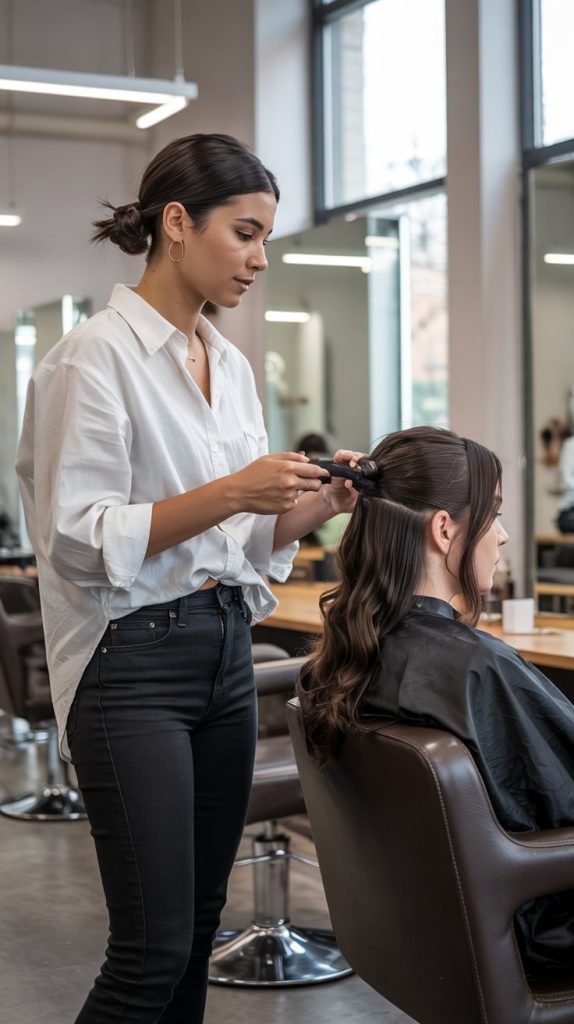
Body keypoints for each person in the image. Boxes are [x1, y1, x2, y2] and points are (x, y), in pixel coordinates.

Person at [15, 132, 362, 1024]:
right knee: (150, 950)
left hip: (224, 657)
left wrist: (315, 503)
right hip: (129, 667)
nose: (258, 259)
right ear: (177, 222)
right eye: (243, 233)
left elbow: (240, 543)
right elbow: (77, 540)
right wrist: (231, 490)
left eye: (266, 240)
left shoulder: (234, 369)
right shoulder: (91, 360)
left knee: (200, 928)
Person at [297, 425, 574, 979]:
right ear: (445, 530)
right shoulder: (477, 667)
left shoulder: (341, 661)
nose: (502, 537)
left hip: (436, 939)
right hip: (542, 934)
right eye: (493, 516)